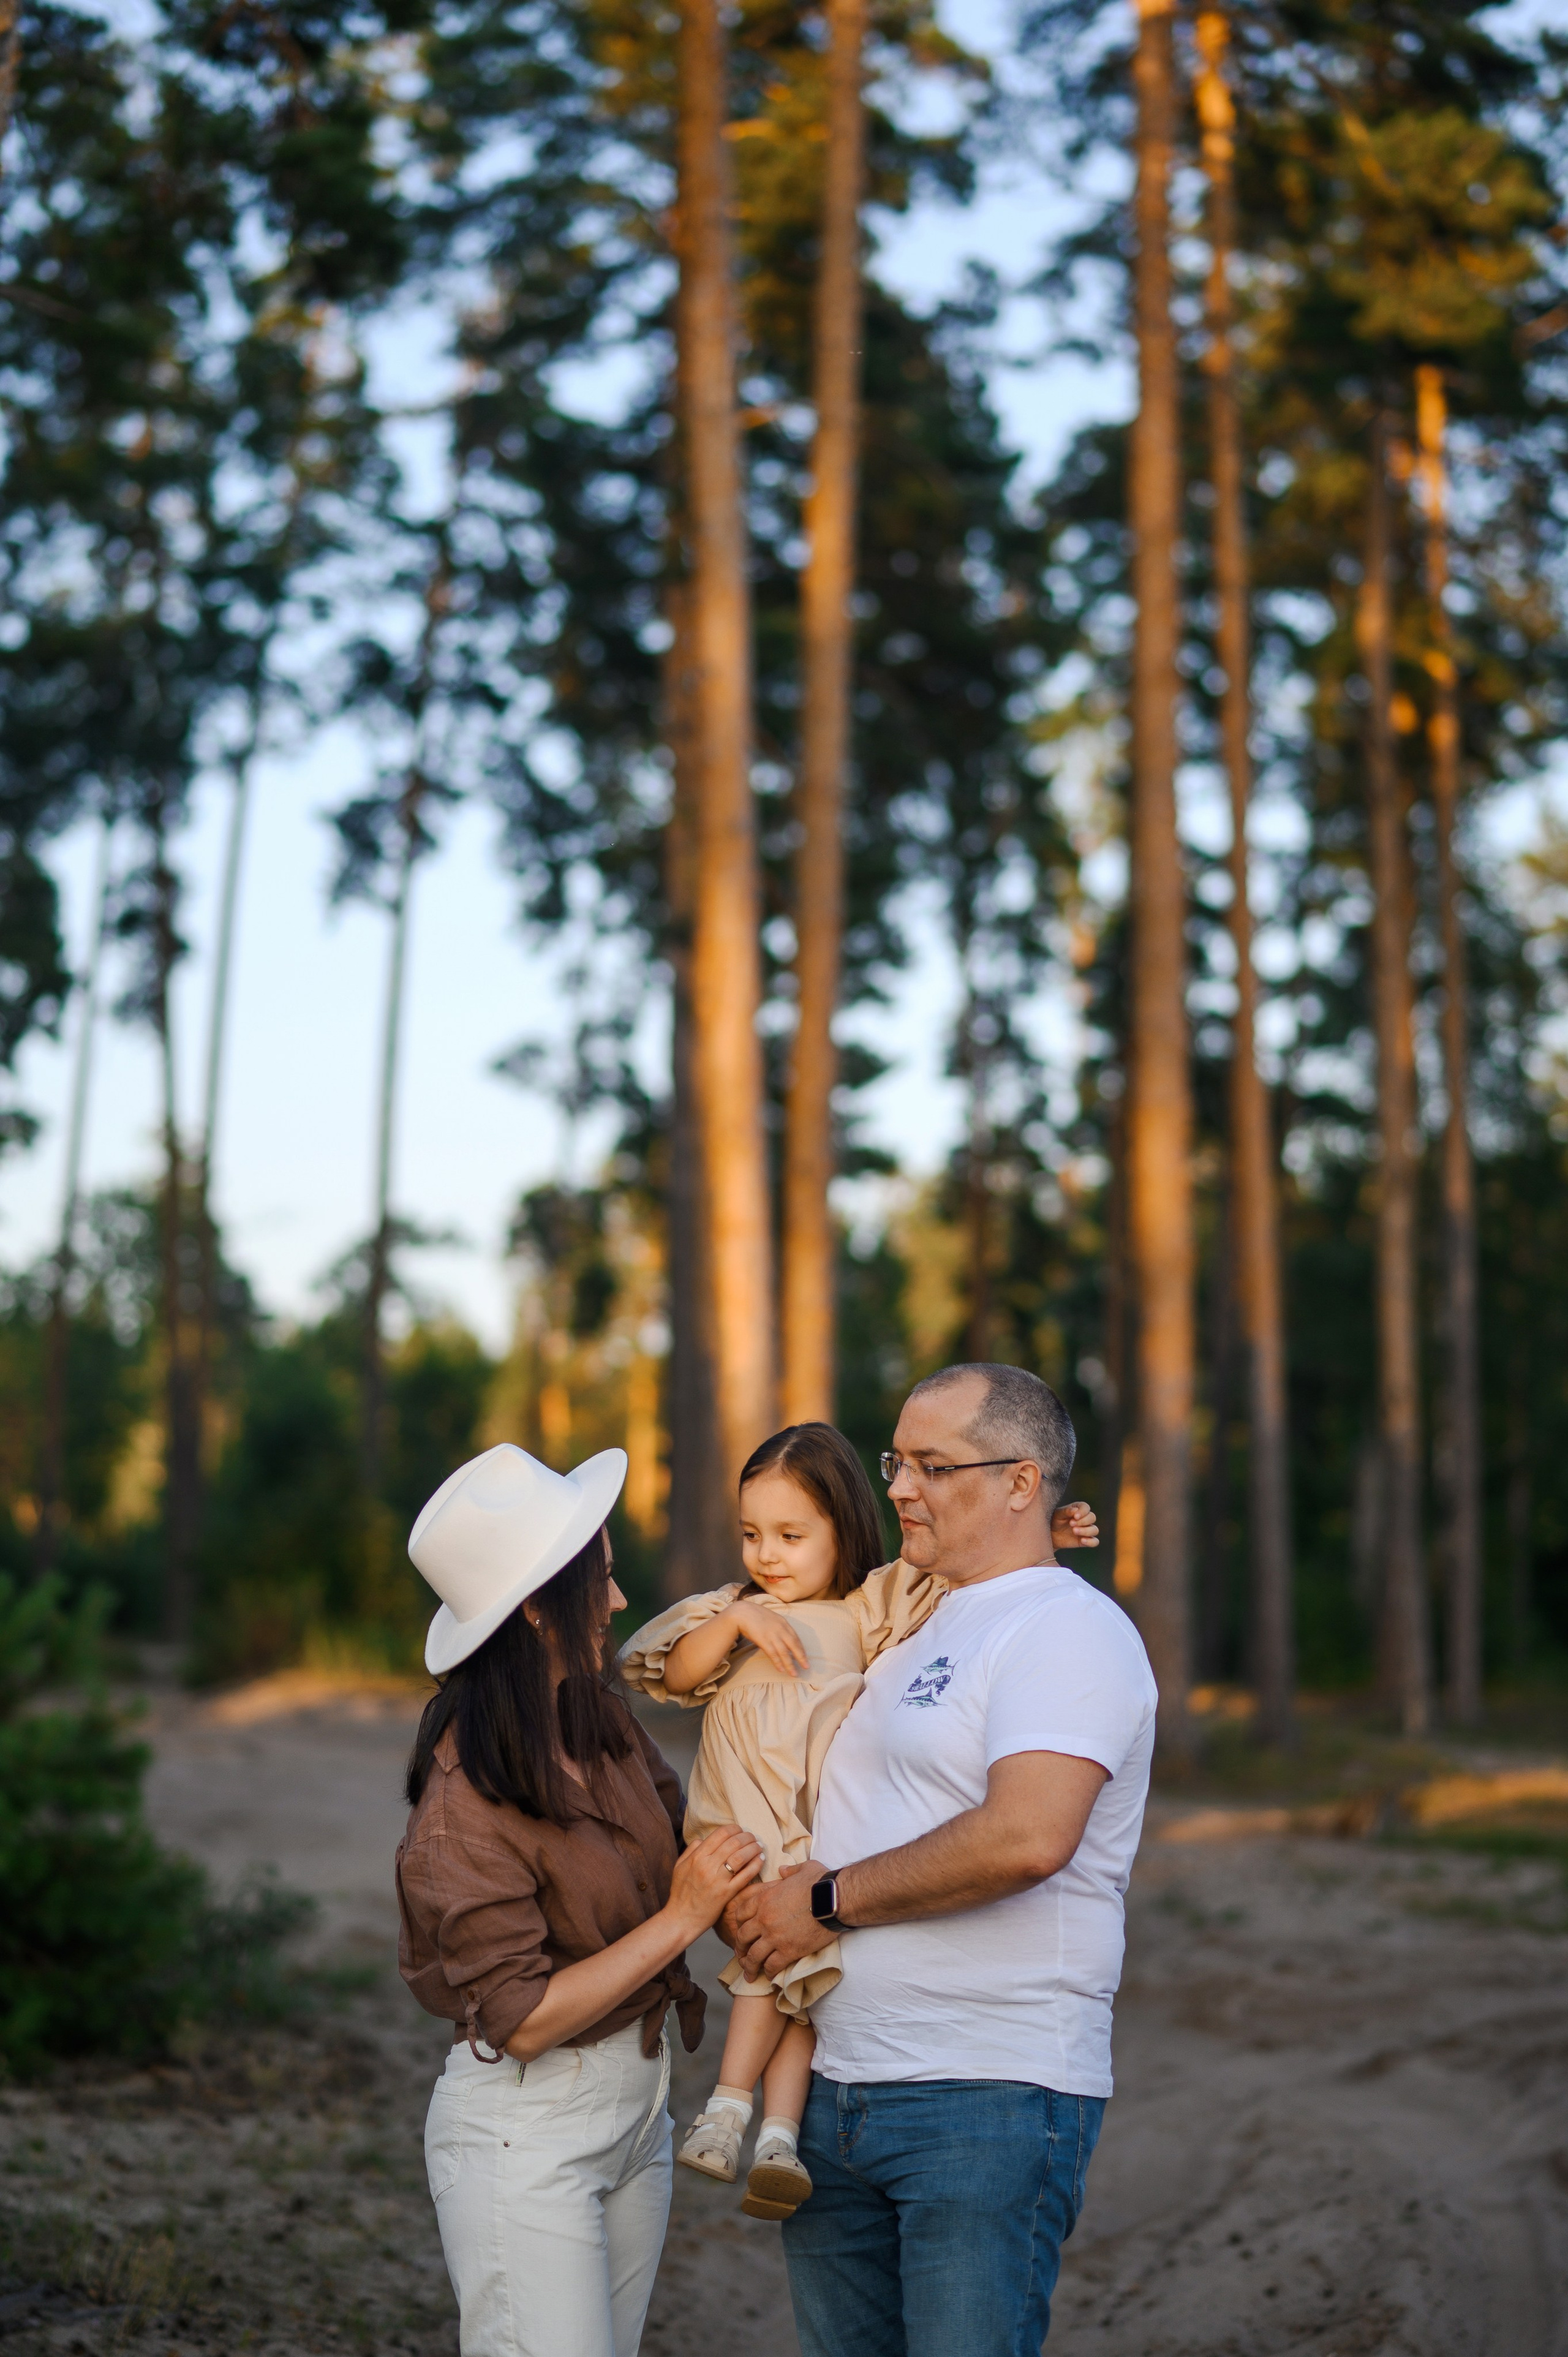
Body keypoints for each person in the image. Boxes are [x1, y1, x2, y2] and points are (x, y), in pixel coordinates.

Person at [729, 1364, 1157, 2357]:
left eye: (932, 1465)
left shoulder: (1067, 1628)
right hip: (831, 2098)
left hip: (985, 2099)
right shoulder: (911, 1623)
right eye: (896, 1463)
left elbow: (1028, 1835)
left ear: (1021, 1483)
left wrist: (822, 1903)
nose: (900, 1489)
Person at [617, 1421, 1099, 2227]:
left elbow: (958, 1571)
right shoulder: (732, 1610)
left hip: (813, 1838)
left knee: (808, 1987)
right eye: (752, 1535)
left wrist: (1042, 1529)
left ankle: (768, 2132)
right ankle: (731, 2108)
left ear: (843, 1527)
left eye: (791, 1535)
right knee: (771, 1969)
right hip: (737, 1832)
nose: (768, 1555)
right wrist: (737, 1623)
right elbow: (667, 1668)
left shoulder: (866, 1609)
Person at [395, 1441, 763, 2357]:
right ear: (533, 1605)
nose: (619, 1600)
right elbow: (521, 2022)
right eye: (600, 1577)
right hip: (529, 2136)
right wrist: (682, 1918)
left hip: (639, 2110)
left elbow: (691, 1847)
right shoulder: (461, 1811)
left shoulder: (598, 1724)